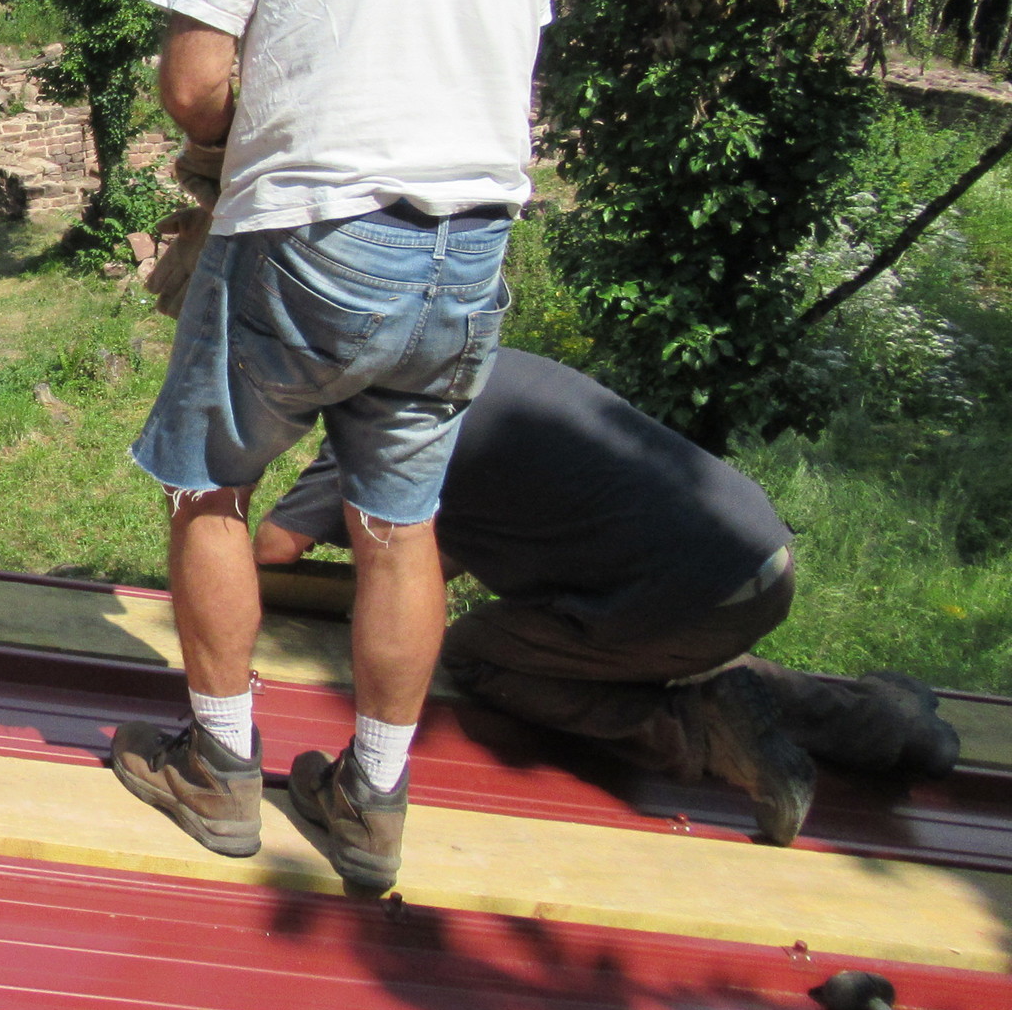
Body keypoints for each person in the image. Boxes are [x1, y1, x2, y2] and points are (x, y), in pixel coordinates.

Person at [112, 0, 563, 894]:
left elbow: (194, 88)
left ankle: (220, 764)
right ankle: (370, 799)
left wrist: (240, 129)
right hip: (468, 247)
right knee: (399, 525)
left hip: (313, 232)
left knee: (209, 486)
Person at [253, 346, 958, 844]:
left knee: (476, 653)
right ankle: (893, 725)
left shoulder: (380, 421)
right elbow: (457, 540)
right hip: (758, 560)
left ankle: (701, 731)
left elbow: (276, 550)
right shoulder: (484, 365)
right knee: (628, 645)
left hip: (681, 604)